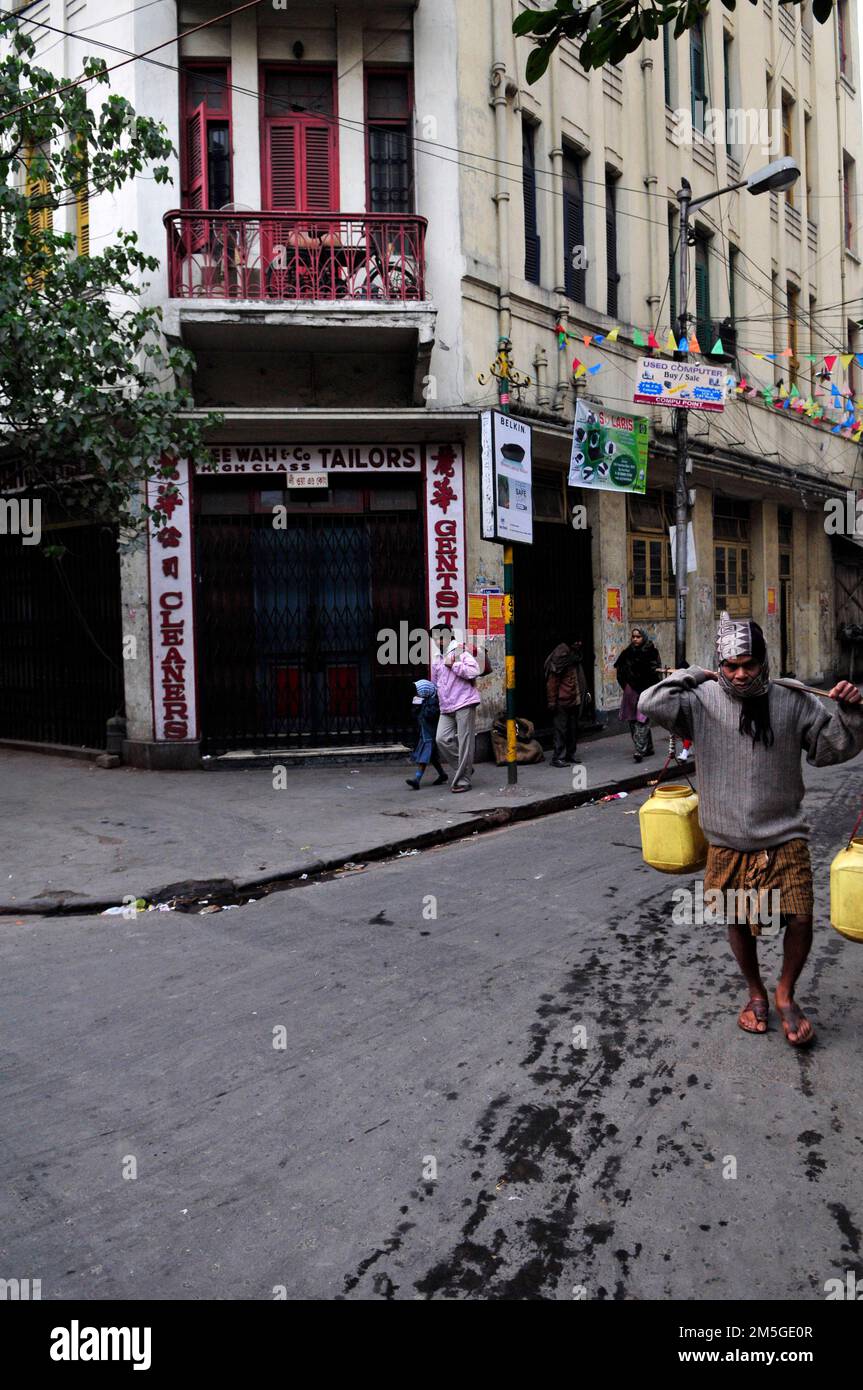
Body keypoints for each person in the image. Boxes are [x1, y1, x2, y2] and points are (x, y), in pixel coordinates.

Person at [638, 612, 863, 1047]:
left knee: (799, 918)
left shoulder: (793, 699)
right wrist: (690, 674)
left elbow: (830, 748)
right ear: (718, 666)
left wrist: (852, 711)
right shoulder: (699, 699)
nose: (740, 675)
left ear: (764, 661)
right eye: (730, 666)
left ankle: (784, 994)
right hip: (726, 839)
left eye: (749, 664)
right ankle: (755, 992)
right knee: (738, 921)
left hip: (784, 834)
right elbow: (650, 705)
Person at [432, 630, 481, 793]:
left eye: (440, 637)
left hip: (464, 702)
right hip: (446, 706)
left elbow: (474, 671)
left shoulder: (460, 650)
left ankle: (464, 780)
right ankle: (465, 767)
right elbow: (436, 682)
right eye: (435, 638)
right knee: (441, 739)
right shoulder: (437, 658)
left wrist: (453, 665)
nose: (437, 641)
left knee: (465, 743)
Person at [615, 626, 662, 761]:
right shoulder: (627, 653)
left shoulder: (651, 652)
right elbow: (620, 671)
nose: (635, 639)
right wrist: (626, 685)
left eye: (638, 637)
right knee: (632, 720)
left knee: (642, 720)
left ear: (644, 637)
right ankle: (648, 748)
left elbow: (656, 672)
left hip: (646, 691)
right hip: (631, 692)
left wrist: (652, 690)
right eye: (633, 636)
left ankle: (639, 750)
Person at [544, 637, 587, 767]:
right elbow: (552, 681)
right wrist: (552, 701)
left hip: (574, 698)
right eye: (576, 641)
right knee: (561, 729)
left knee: (573, 729)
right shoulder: (562, 655)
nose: (579, 643)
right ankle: (558, 757)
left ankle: (570, 754)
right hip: (563, 699)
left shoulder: (573, 655)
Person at [406, 679, 447, 791]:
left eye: (419, 692)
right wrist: (417, 706)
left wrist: (422, 704)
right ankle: (442, 774)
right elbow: (415, 716)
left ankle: (417, 779)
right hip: (424, 734)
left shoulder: (433, 702)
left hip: (429, 735)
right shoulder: (424, 700)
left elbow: (431, 715)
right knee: (433, 757)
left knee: (423, 758)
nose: (417, 694)